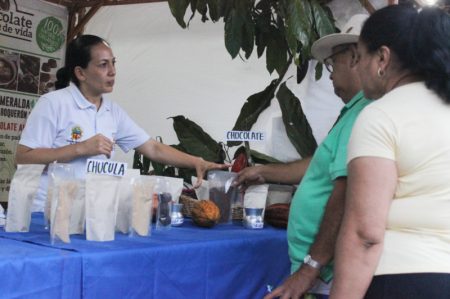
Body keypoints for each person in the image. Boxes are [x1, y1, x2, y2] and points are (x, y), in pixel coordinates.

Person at [234, 15, 371, 298]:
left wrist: (311, 266)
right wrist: (265, 172)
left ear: (356, 58)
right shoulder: (351, 113)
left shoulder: (364, 115)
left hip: (326, 272)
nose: (330, 74)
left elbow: (345, 194)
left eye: (333, 63)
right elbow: (323, 166)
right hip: (322, 269)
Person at [16, 34, 227, 211]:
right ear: (80, 73)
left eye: (113, 63)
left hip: (92, 213)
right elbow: (23, 158)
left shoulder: (112, 111)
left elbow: (152, 147)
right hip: (48, 213)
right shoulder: (53, 103)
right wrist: (80, 148)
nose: (112, 71)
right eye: (103, 65)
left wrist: (196, 162)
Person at [330, 5, 450, 299]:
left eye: (360, 57)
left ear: (382, 58)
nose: (357, 68)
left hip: (403, 279)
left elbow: (364, 234)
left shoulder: (381, 116)